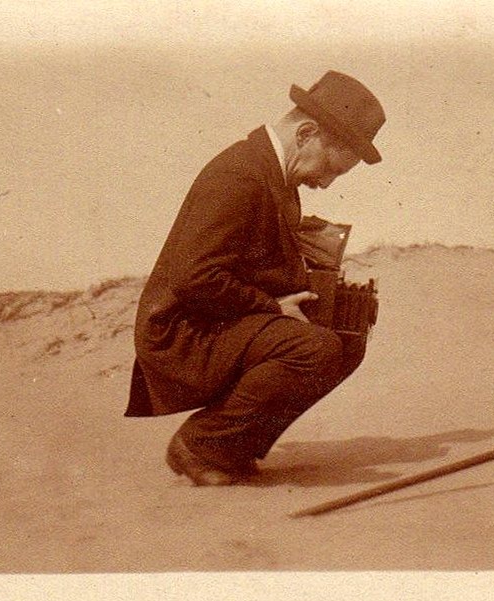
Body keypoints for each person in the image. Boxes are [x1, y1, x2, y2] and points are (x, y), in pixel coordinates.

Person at [125, 71, 385, 485]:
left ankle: (234, 447)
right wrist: (272, 306)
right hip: (181, 331)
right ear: (306, 133)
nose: (324, 182)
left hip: (217, 321)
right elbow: (195, 276)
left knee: (345, 338)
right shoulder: (241, 175)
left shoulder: (270, 172)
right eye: (331, 168)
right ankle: (201, 445)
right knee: (312, 348)